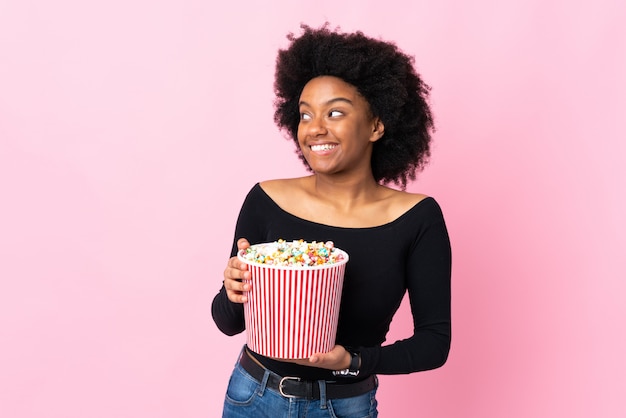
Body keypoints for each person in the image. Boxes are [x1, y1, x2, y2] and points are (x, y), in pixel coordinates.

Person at [211, 23, 451, 418]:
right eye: (306, 115)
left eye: (335, 112)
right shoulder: (266, 199)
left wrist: (351, 361)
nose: (315, 128)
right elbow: (227, 322)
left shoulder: (417, 219)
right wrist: (234, 287)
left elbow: (434, 342)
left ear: (377, 125)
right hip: (252, 396)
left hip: (345, 406)